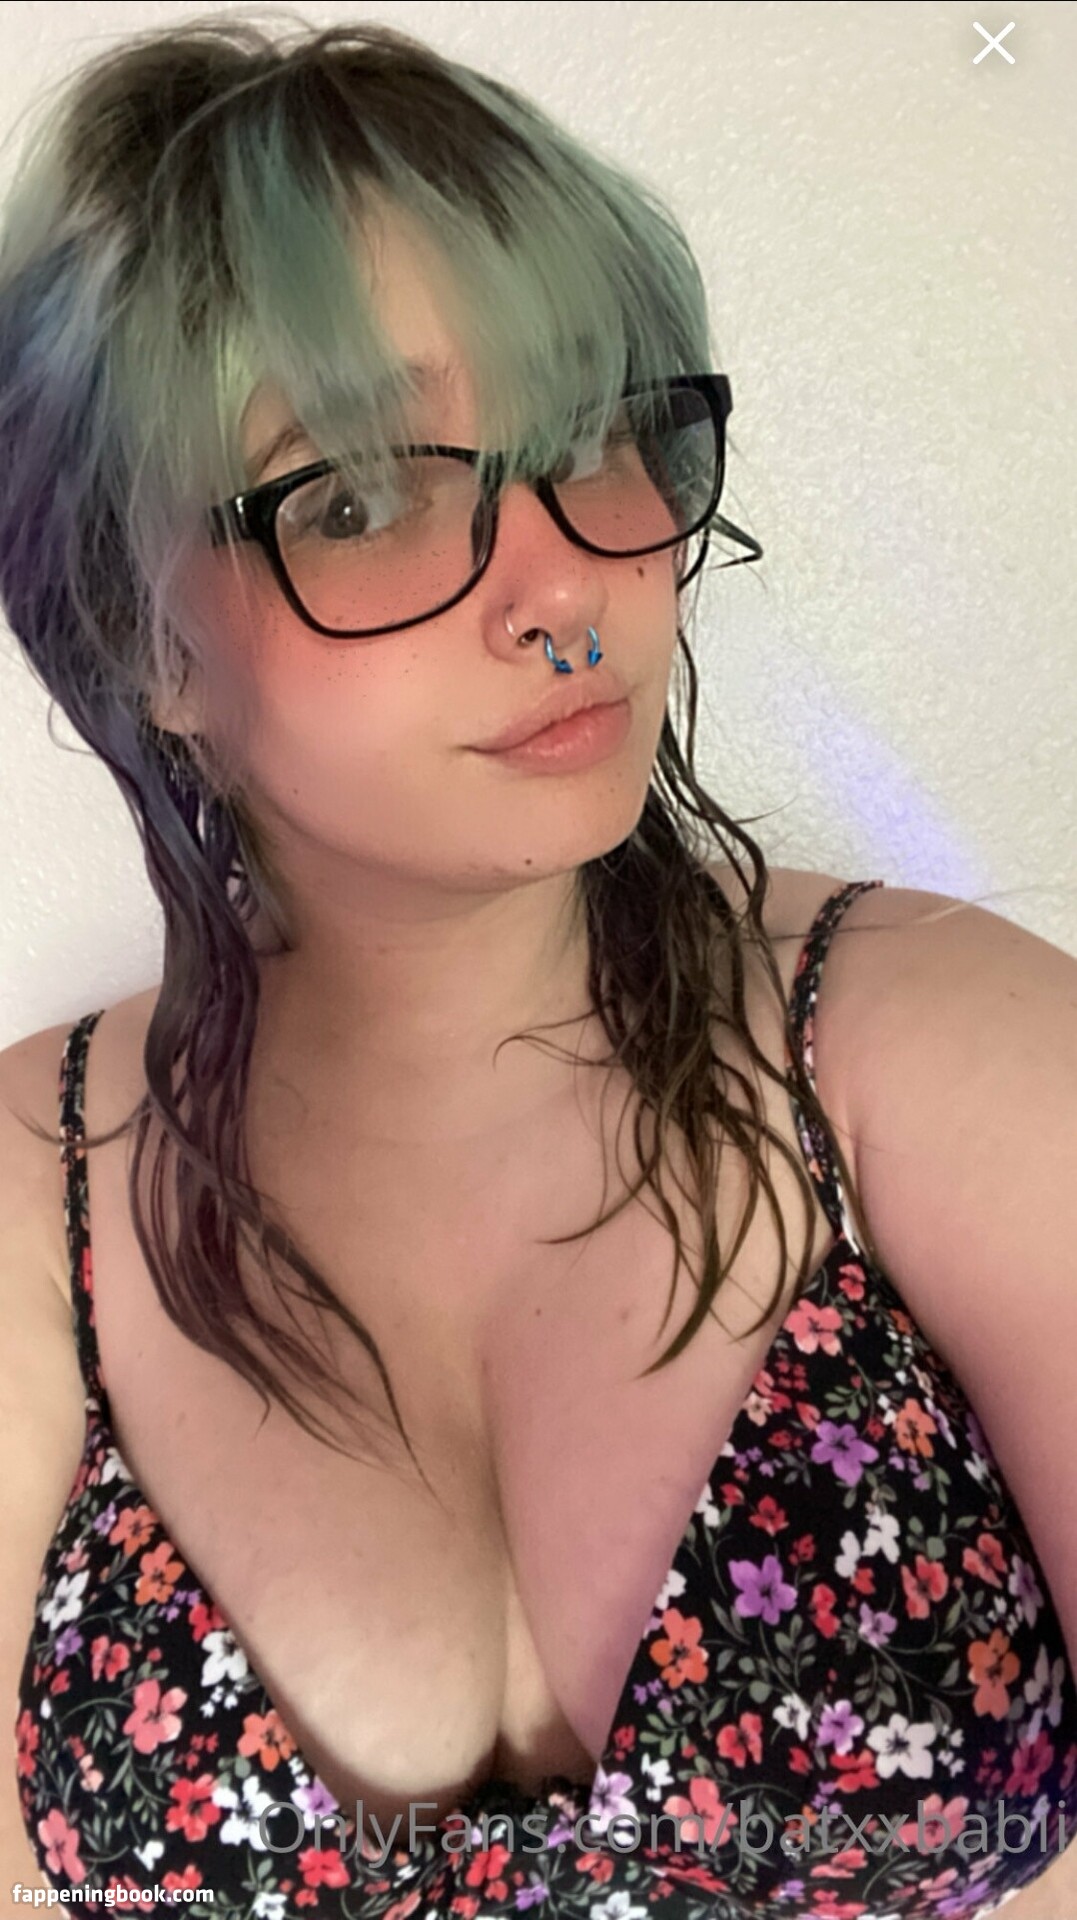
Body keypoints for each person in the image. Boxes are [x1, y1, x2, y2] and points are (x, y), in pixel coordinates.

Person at [0, 17, 1074, 1919]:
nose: (562, 586)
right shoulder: (28, 1208)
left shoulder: (944, 1049)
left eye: (590, 432)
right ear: (139, 636)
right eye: (356, 494)